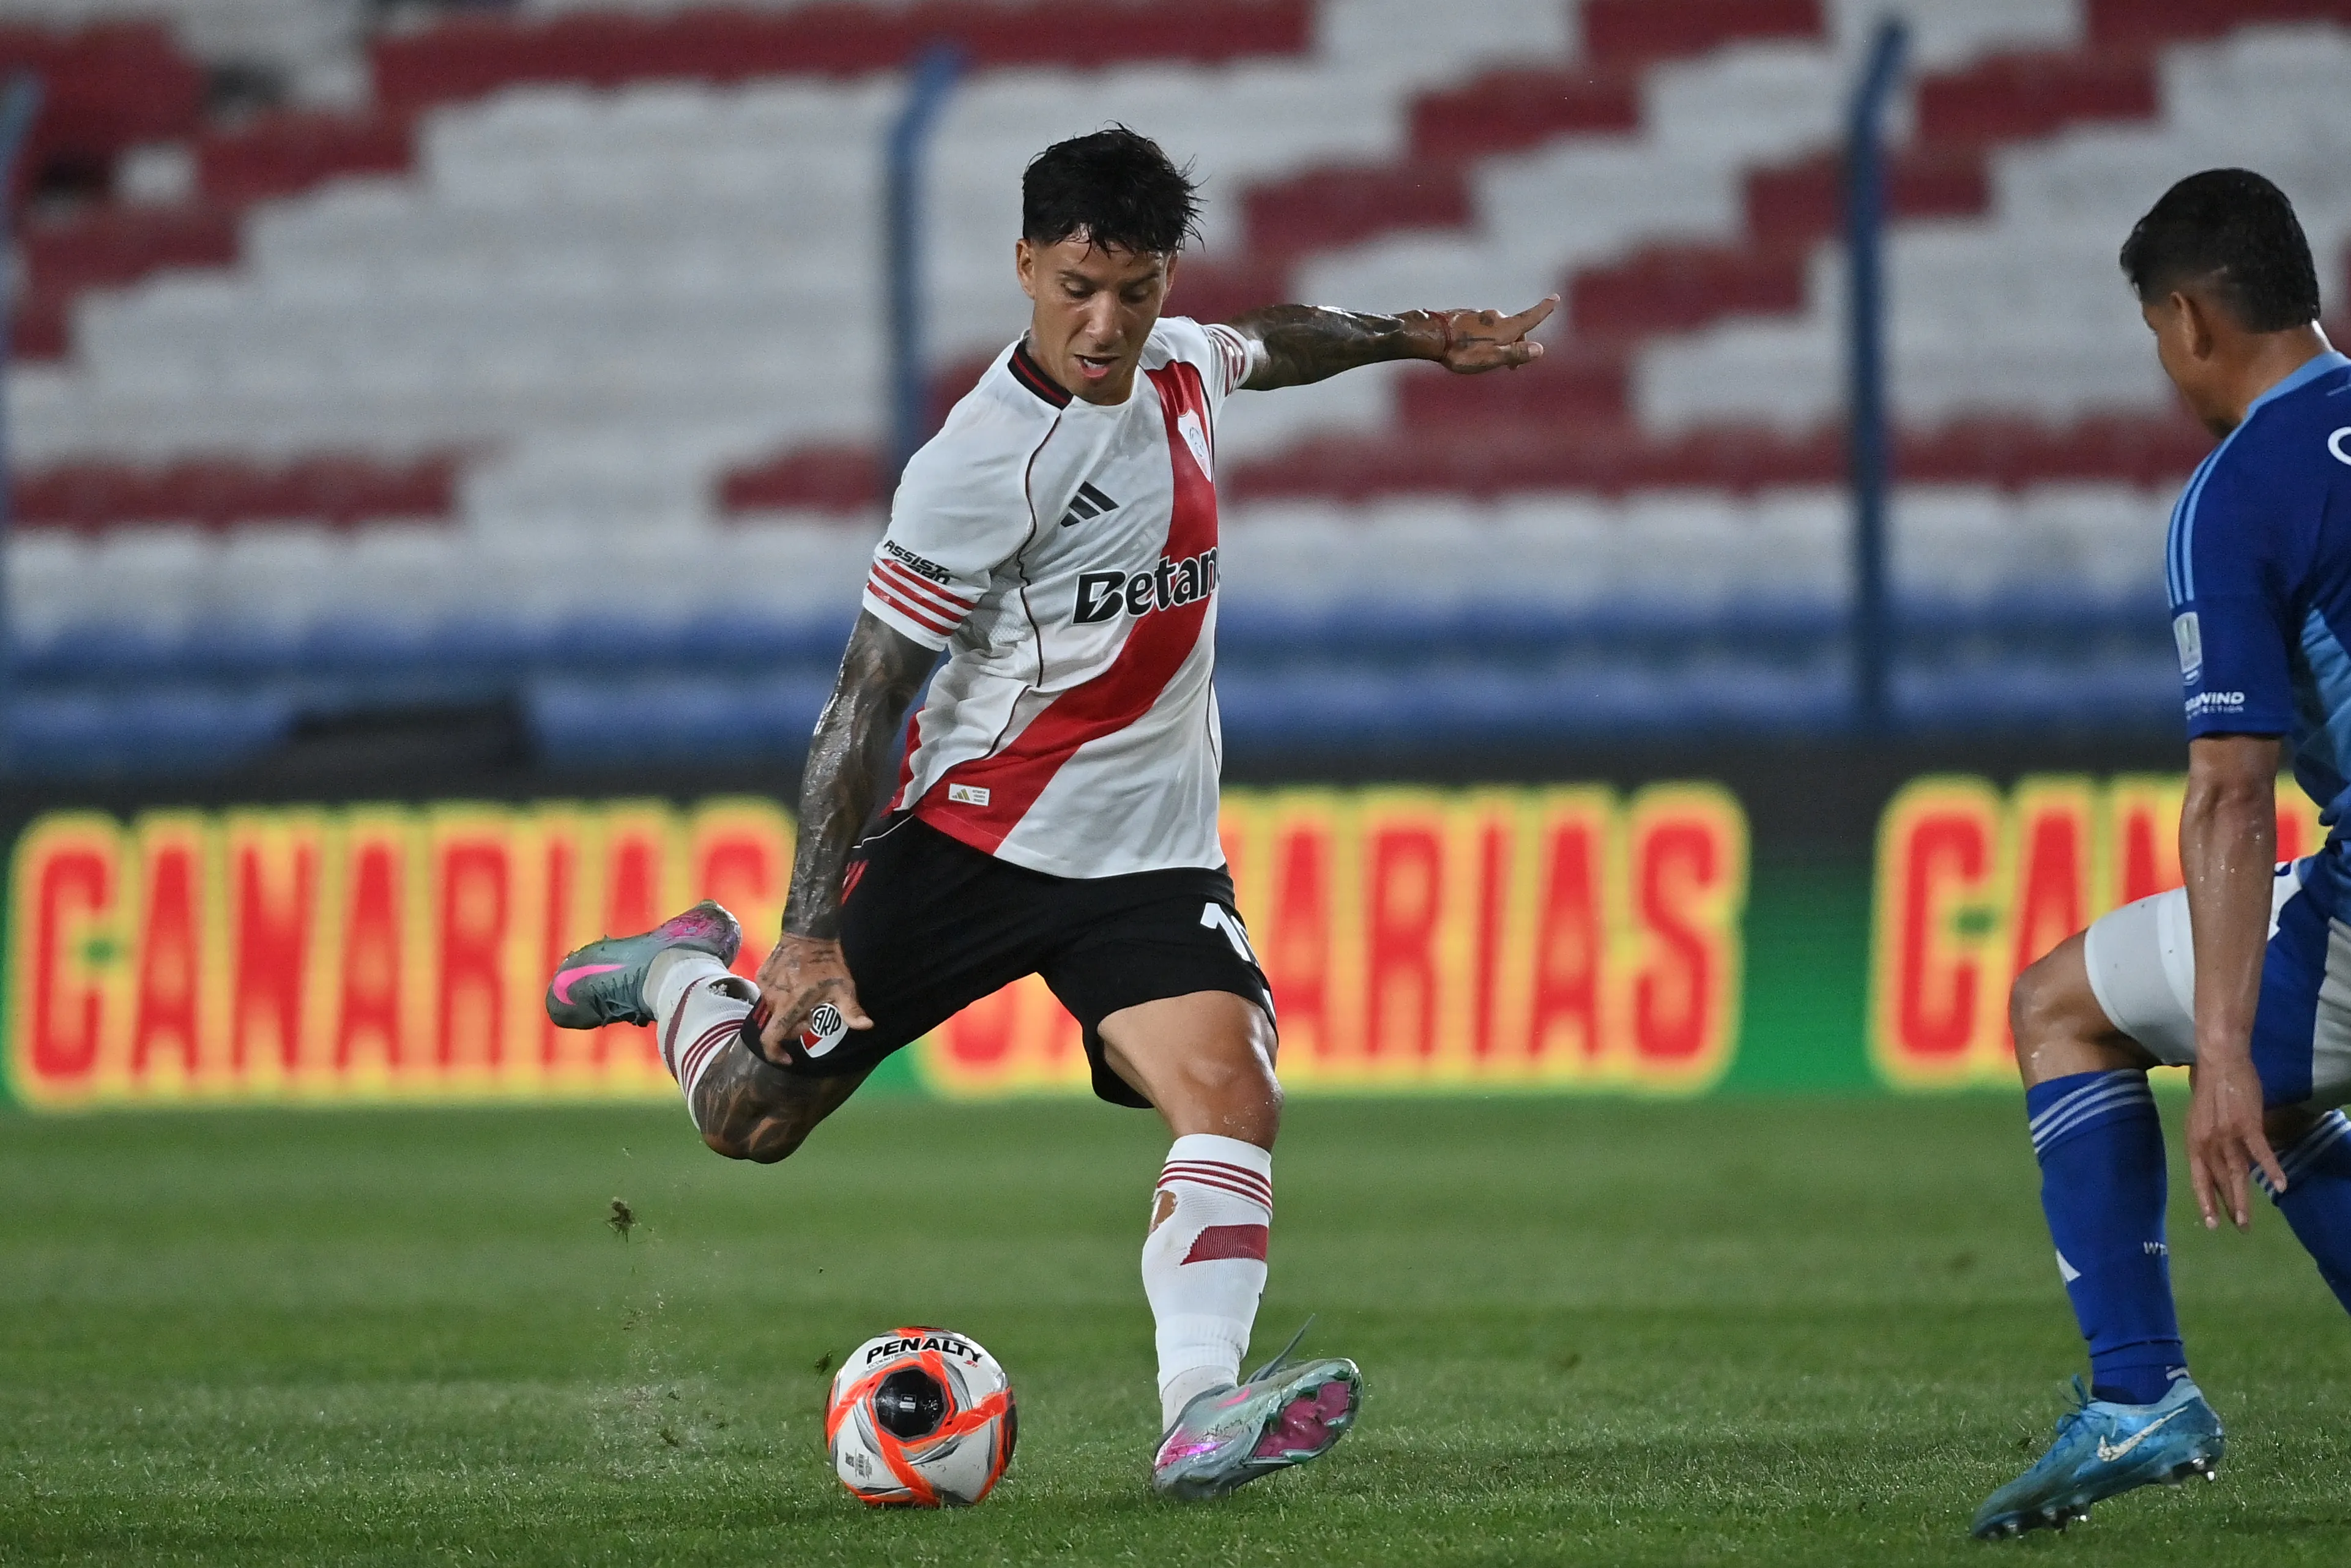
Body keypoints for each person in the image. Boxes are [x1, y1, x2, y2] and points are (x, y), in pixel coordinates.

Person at [543, 126, 1554, 1499]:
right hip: (976, 842)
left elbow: (1273, 338)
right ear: (1026, 265)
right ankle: (671, 974)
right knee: (751, 1118)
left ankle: (1199, 1414)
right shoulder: (981, 463)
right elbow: (861, 703)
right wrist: (807, 931)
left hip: (1147, 863)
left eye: (1134, 291)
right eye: (1077, 286)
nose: (1105, 323)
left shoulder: (1179, 368)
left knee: (1230, 1093)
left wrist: (1415, 340)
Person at [1975, 167, 2351, 1539]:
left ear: (2191, 319)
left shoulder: (2240, 490)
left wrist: (2222, 1048)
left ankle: (2137, 1393)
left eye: (2156, 337)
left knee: (2059, 1007)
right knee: (2300, 1099)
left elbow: (2233, 798)